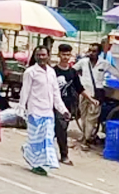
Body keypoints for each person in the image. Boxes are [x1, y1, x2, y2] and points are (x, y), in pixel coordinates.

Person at [19, 46, 71, 176]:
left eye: (43, 55)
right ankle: (33, 160)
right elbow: (24, 91)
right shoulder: (30, 72)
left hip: (48, 112)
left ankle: (43, 165)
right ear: (35, 56)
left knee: (47, 139)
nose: (41, 57)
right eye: (38, 55)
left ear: (48, 56)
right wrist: (21, 109)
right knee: (36, 140)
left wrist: (63, 110)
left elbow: (55, 93)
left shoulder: (51, 72)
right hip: (34, 111)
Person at [73, 43, 111, 148]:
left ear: (99, 52)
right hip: (84, 92)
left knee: (91, 118)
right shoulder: (83, 62)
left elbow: (116, 73)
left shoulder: (104, 64)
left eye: (94, 51)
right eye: (90, 50)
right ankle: (85, 136)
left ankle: (86, 139)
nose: (91, 53)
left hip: (96, 95)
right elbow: (72, 70)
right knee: (84, 116)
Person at [54, 44, 84, 165]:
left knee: (62, 130)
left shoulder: (73, 73)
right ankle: (55, 154)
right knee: (54, 130)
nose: (65, 57)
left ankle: (62, 155)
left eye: (68, 55)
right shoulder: (53, 71)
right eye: (63, 54)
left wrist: (91, 100)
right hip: (53, 105)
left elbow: (79, 88)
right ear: (59, 55)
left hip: (67, 106)